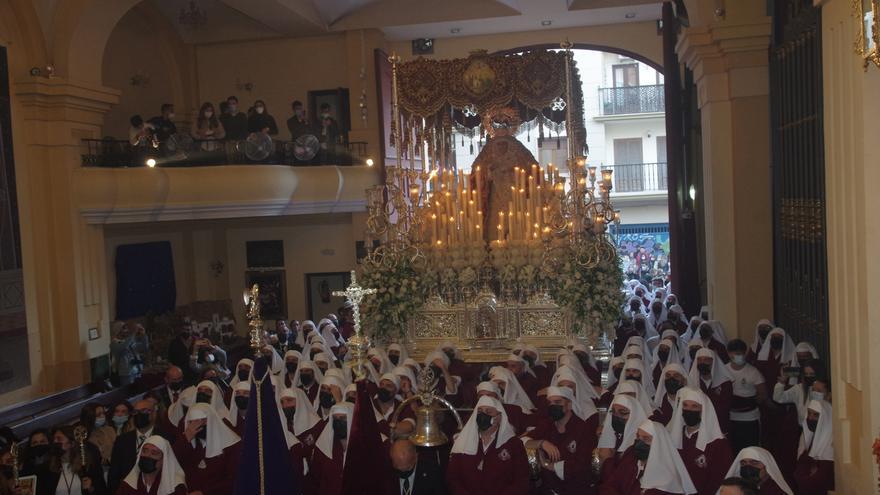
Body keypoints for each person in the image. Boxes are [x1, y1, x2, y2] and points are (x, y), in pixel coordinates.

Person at [521, 386, 598, 494]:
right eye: (550, 403)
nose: (553, 406)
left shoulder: (583, 429)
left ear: (569, 405)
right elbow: (521, 441)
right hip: (548, 487)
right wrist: (541, 443)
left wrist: (548, 465)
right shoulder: (547, 424)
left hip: (575, 488)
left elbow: (583, 466)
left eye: (557, 402)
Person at [445, 396, 529, 495]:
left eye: (489, 412)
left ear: (498, 417)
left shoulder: (513, 444)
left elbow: (521, 481)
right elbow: (453, 478)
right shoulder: (463, 441)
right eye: (479, 412)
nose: (483, 415)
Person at [598, 419, 696, 495]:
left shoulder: (666, 478)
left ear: (658, 444)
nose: (639, 442)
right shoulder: (631, 457)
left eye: (646, 439)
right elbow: (610, 484)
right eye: (638, 437)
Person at [667, 387, 733, 494]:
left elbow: (721, 478)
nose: (689, 410)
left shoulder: (718, 443)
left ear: (703, 410)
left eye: (694, 406)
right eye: (685, 405)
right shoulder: (672, 436)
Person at [108, 399, 175, 494]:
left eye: (144, 411)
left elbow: (172, 470)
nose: (139, 415)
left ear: (154, 414)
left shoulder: (167, 438)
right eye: (136, 412)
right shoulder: (122, 440)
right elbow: (113, 476)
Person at [173, 403, 240, 495]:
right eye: (194, 421)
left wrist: (205, 493)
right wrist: (185, 438)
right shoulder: (188, 443)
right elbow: (172, 466)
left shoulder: (231, 444)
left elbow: (234, 480)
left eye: (203, 420)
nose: (198, 425)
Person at [36, 425, 107, 495]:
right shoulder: (49, 467)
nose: (55, 442)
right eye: (54, 439)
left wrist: (91, 488)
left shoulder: (87, 465)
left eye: (59, 439)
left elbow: (102, 489)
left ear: (72, 443)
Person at [726, 339, 769, 453]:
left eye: (740, 353)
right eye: (735, 353)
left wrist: (749, 403)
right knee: (732, 450)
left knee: (750, 450)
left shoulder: (753, 372)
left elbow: (763, 394)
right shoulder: (724, 370)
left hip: (750, 418)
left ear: (745, 353)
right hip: (730, 418)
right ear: (729, 354)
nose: (738, 356)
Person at [116, 435, 187, 495]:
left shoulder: (176, 487)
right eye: (144, 451)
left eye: (154, 453)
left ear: (164, 460)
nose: (147, 455)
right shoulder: (128, 485)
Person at [309, 402, 354, 494]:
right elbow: (315, 479)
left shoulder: (365, 447)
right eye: (335, 419)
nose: (338, 423)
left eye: (343, 418)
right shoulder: (323, 445)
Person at [793, 400, 834, 495]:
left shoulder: (831, 444)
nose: (810, 418)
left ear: (825, 418)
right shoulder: (813, 438)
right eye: (809, 413)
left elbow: (819, 480)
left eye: (816, 415)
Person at [688, 347, 734, 433]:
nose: (702, 362)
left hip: (719, 427)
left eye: (706, 360)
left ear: (713, 362)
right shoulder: (692, 381)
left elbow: (724, 408)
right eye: (699, 360)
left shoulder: (725, 383)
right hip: (698, 427)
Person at [722, 447, 793, 494]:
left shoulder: (777, 491)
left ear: (767, 467)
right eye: (743, 463)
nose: (748, 467)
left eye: (754, 463)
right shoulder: (736, 489)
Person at [79, 402, 116, 467]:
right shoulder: (83, 437)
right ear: (90, 417)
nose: (102, 416)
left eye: (103, 413)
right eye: (98, 415)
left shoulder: (109, 430)